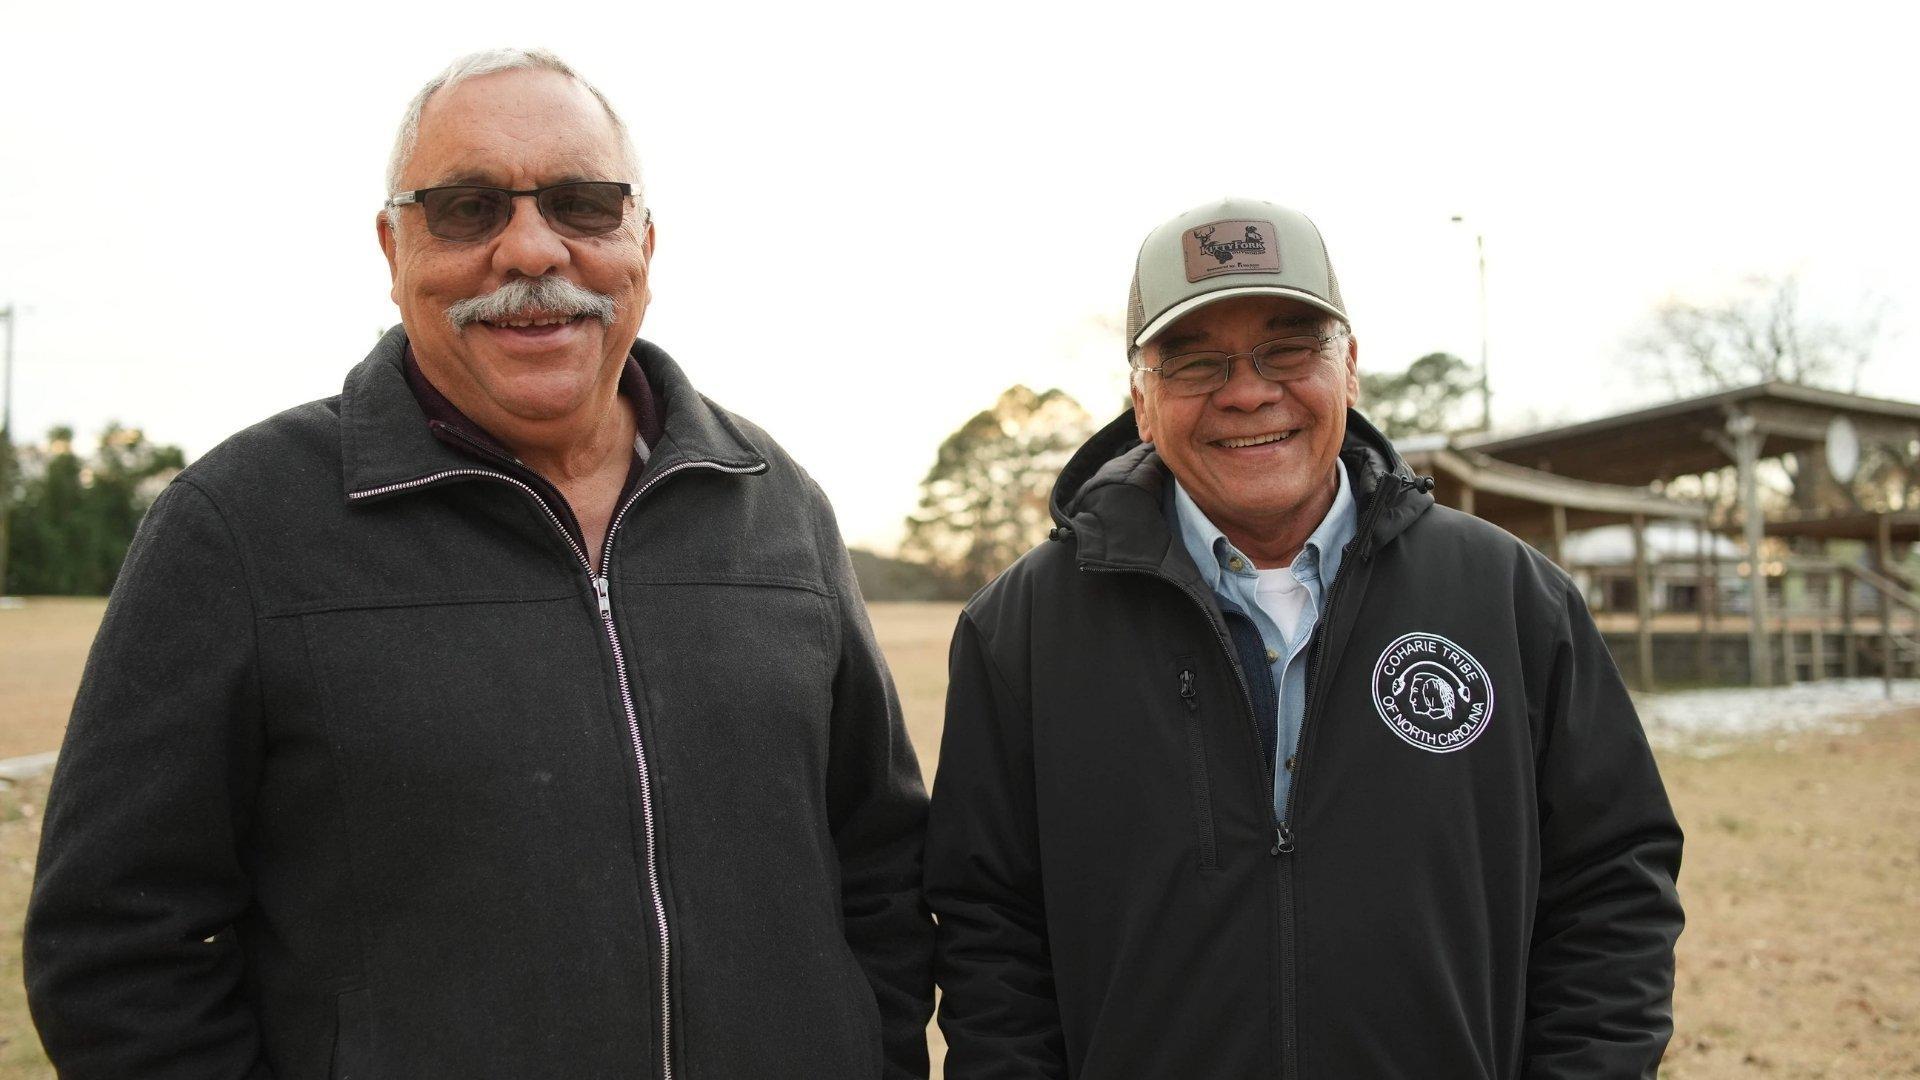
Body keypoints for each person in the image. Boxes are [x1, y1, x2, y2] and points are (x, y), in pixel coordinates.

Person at [26, 49, 932, 1079]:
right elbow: (116, 948)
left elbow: (880, 872)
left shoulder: (778, 506)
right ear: (393, 245)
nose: (532, 248)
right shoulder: (236, 525)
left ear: (643, 239)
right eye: (467, 208)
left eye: (584, 203)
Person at [925, 197, 1683, 1078]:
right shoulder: (1020, 630)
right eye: (1195, 362)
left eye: (1288, 350)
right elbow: (988, 931)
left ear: (1349, 368)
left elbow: (1611, 885)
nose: (1248, 391)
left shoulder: (1511, 600)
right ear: (1141, 401)